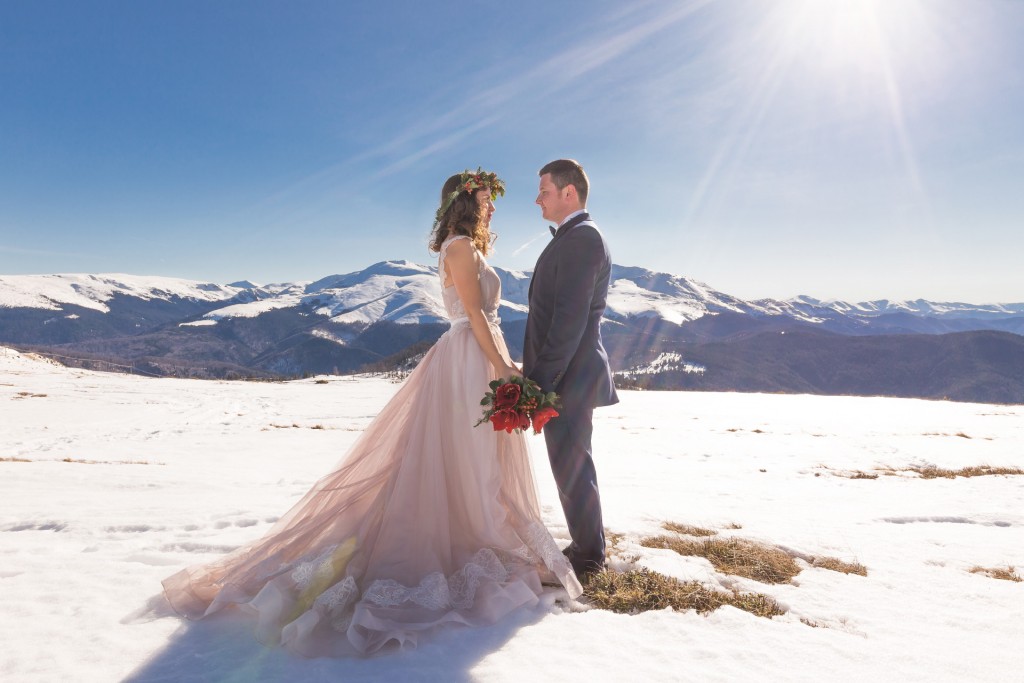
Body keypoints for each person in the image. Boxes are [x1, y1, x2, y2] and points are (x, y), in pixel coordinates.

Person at [161, 168, 582, 658]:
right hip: (469, 360)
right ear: (465, 204)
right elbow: (475, 314)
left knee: (478, 457)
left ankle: (482, 526)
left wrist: (502, 365)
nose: (492, 208)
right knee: (465, 456)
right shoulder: (461, 247)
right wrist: (505, 366)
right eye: (486, 200)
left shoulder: (463, 246)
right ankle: (471, 531)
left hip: (476, 359)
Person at [523, 159, 618, 581]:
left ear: (569, 193)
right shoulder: (575, 237)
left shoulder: (583, 239)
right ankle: (586, 545)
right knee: (570, 465)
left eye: (544, 190)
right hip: (567, 375)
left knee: (573, 466)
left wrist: (541, 382)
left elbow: (569, 320)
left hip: (570, 377)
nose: (537, 198)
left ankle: (589, 557)